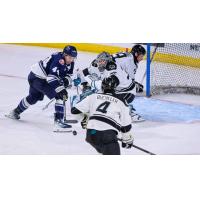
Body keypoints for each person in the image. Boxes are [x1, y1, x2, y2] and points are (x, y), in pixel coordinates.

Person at [6, 45, 78, 132]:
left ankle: (14, 112)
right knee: (60, 96)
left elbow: (68, 75)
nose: (71, 60)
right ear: (64, 54)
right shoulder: (58, 60)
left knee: (33, 98)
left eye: (73, 58)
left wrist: (66, 81)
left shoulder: (69, 62)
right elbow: (51, 78)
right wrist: (61, 88)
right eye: (70, 57)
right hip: (38, 79)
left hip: (36, 77)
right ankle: (58, 122)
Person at [75, 47, 146, 122]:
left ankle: (127, 111)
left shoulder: (112, 67)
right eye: (99, 61)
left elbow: (111, 83)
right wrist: (85, 86)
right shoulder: (96, 64)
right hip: (120, 86)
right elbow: (85, 73)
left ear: (107, 62)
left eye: (102, 61)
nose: (100, 63)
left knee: (107, 100)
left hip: (127, 91)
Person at [71, 76, 134, 155]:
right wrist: (127, 139)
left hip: (91, 134)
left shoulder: (93, 96)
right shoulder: (121, 101)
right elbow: (126, 126)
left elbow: (74, 111)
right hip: (108, 135)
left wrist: (85, 118)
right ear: (116, 88)